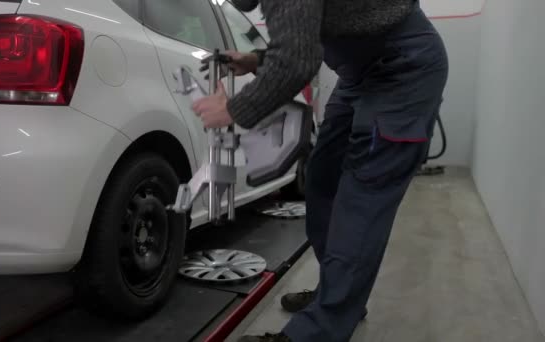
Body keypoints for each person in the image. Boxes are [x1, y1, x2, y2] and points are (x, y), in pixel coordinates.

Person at [192, 0, 449, 340]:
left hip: (403, 69)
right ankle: (340, 296)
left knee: (361, 200)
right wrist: (259, 60)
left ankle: (319, 330)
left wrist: (234, 109)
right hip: (358, 73)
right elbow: (309, 34)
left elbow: (298, 61)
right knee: (322, 178)